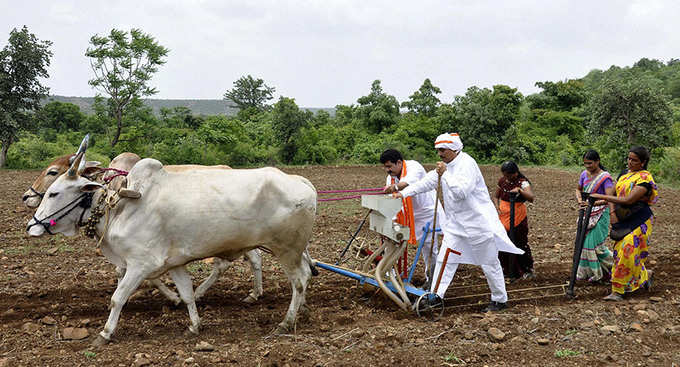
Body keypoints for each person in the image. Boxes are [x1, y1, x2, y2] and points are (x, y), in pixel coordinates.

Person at [393, 133, 524, 312]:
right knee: (444, 260)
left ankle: (499, 299)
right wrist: (403, 193)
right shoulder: (446, 167)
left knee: (489, 262)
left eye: (442, 150)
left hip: (477, 224)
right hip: (455, 226)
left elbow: (461, 192)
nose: (439, 154)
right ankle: (435, 297)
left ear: (454, 149)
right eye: (437, 150)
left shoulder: (467, 164)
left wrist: (444, 174)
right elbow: (426, 183)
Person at [589, 146, 658, 301]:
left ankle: (617, 291)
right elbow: (612, 194)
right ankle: (646, 275)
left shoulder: (645, 180)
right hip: (623, 218)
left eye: (634, 160)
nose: (630, 162)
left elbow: (628, 200)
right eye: (629, 158)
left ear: (643, 162)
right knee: (620, 251)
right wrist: (600, 205)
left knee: (627, 251)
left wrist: (602, 198)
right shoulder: (624, 174)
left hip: (640, 220)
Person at [381, 149, 442, 283]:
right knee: (392, 242)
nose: (387, 170)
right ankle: (389, 274)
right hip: (407, 213)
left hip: (427, 212)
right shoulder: (390, 178)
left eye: (389, 166)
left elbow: (407, 183)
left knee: (429, 248)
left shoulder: (414, 167)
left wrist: (395, 187)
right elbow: (393, 199)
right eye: (385, 167)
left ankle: (432, 279)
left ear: (398, 162)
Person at [574, 149, 615, 283]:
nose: (587, 166)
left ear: (597, 161)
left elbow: (610, 198)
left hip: (601, 213)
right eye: (585, 164)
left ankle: (617, 267)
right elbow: (578, 189)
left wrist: (592, 202)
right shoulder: (584, 175)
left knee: (594, 245)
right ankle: (593, 273)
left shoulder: (605, 178)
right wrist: (581, 201)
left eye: (590, 163)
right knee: (583, 243)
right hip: (587, 211)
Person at [493, 161, 535, 282]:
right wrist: (497, 207)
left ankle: (525, 270)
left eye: (508, 175)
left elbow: (531, 197)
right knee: (502, 242)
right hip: (504, 215)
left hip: (517, 216)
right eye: (504, 175)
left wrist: (520, 191)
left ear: (515, 173)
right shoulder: (502, 181)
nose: (506, 177)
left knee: (518, 242)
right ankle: (507, 270)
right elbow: (496, 196)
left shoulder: (522, 182)